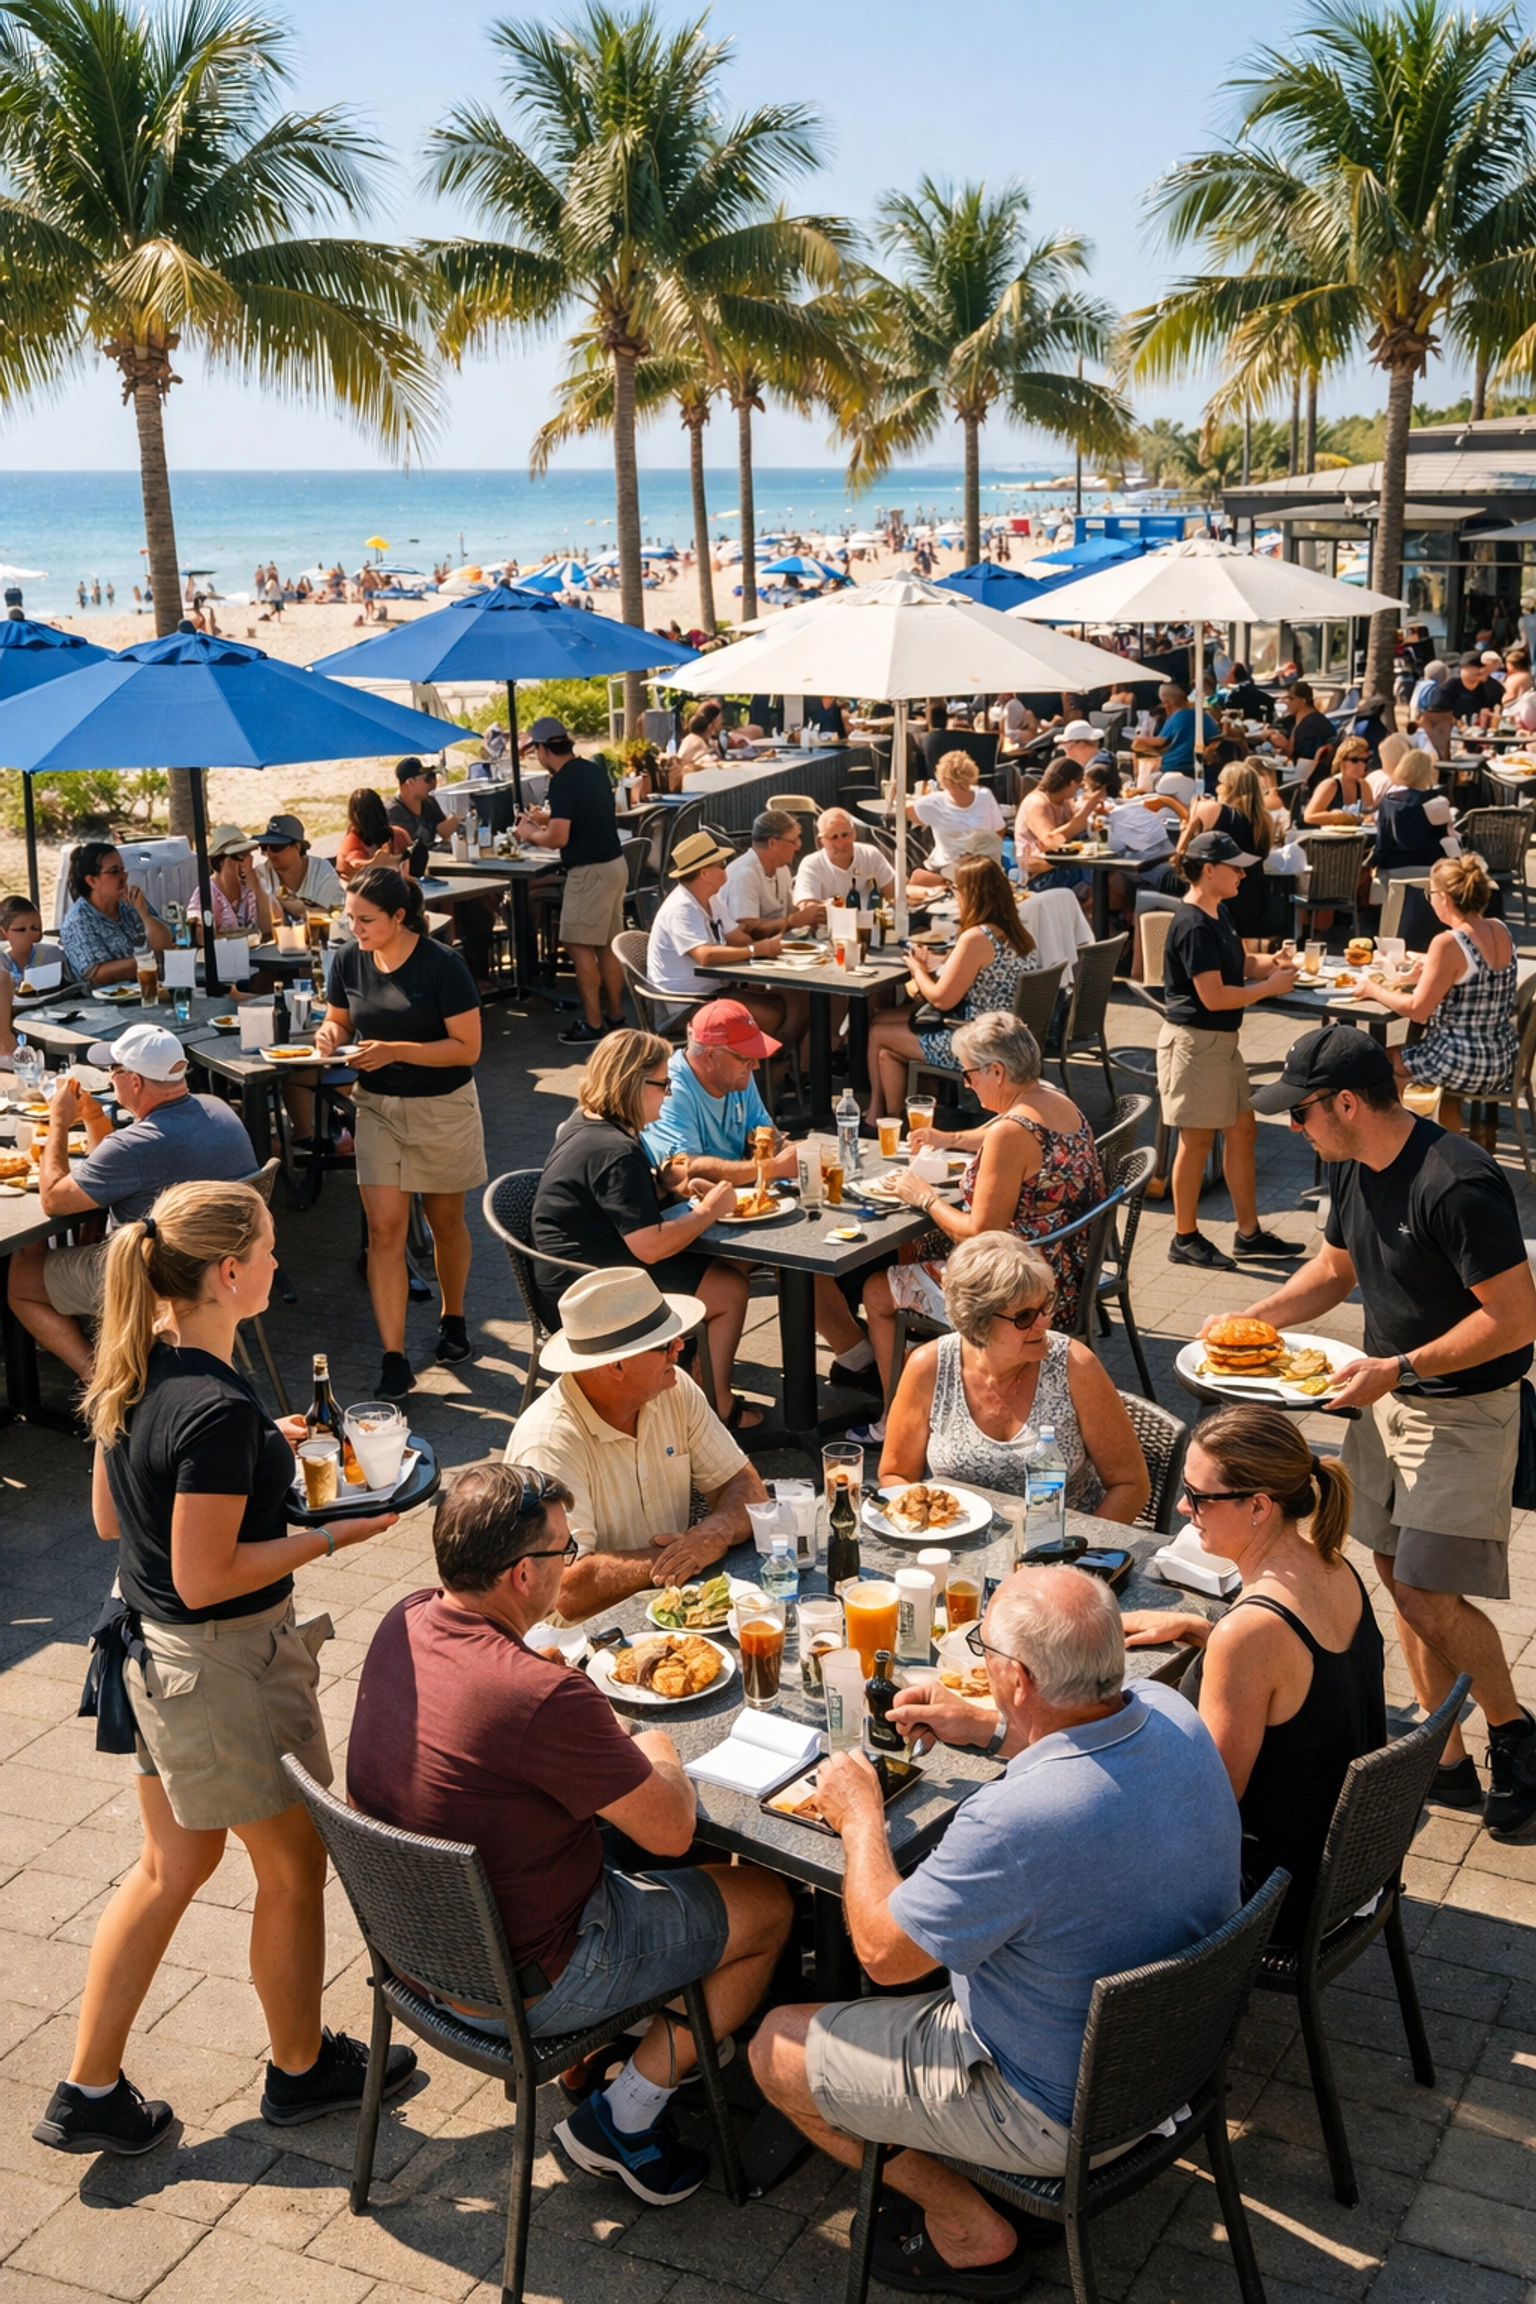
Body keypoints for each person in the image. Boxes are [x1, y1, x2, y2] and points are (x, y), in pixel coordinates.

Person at [32, 1181, 410, 2160]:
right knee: (294, 1866)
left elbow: (119, 1521)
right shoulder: (215, 1404)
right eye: (272, 1252)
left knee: (175, 1863)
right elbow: (207, 1576)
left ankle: (89, 2089)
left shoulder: (138, 1366)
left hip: (152, 1658)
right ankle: (298, 2071)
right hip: (220, 1663)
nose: (281, 1265)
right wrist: (333, 1534)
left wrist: (258, 1460)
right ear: (229, 1272)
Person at [749, 1567, 1239, 2290]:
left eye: (983, 1648)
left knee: (773, 2048)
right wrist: (988, 1727)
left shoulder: (1014, 1822)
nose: (978, 1657)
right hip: (1178, 2059)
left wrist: (860, 1821)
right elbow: (1082, 1760)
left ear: (1016, 1677)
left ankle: (968, 2230)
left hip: (1058, 2110)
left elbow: (885, 1956)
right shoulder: (1174, 1710)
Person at [346, 1461, 792, 2205]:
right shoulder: (544, 1697)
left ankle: (650, 2039)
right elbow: (674, 1829)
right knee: (769, 1903)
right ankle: (624, 2118)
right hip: (530, 1983)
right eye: (565, 1551)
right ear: (524, 1575)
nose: (573, 1562)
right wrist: (650, 1741)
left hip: (420, 1955)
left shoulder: (406, 1619)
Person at [1233, 1025, 1536, 1840]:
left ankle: (1516, 1738)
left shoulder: (1458, 1183)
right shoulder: (1351, 1163)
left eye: (1299, 1114)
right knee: (1397, 1570)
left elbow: (1513, 1321)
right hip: (1386, 1401)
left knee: (1426, 1592)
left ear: (1344, 1102)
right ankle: (1445, 1759)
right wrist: (1252, 1320)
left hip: (1462, 1410)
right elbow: (1336, 1270)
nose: (1292, 1129)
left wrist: (1397, 1369)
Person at [1123, 1406, 1384, 1945]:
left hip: (1273, 1898)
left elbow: (1209, 1808)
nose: (1181, 1506)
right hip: (1347, 1867)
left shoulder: (1250, 1633)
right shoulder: (1332, 1564)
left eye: (1198, 1497)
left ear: (1259, 1506)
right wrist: (1204, 1629)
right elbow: (1297, 1679)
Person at [860, 1015, 1103, 1419]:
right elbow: (997, 1131)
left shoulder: (1013, 1134)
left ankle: (897, 1417)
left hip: (1021, 1288)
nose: (967, 1084)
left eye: (969, 1074)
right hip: (1069, 1268)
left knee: (875, 1290)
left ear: (997, 1071)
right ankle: (939, 1371)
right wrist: (949, 1139)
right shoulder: (1053, 1099)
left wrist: (924, 1199)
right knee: (911, 1249)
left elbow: (978, 1233)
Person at [314, 865, 486, 1395]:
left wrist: (394, 1050)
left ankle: (452, 1316)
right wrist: (328, 1033)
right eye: (350, 919)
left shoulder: (443, 966)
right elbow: (338, 1018)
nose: (354, 929)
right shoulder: (347, 959)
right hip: (378, 1108)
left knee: (444, 1223)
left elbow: (468, 1049)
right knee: (384, 1231)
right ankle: (393, 1357)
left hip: (442, 1108)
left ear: (399, 917)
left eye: (365, 920)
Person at [505, 1269, 766, 1615]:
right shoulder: (547, 1442)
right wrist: (680, 1556)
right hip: (582, 1641)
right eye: (664, 1344)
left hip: (669, 1606)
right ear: (617, 1365)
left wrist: (713, 1533)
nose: (679, 1347)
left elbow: (746, 1488)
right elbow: (565, 1588)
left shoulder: (673, 1388)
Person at [532, 1028, 758, 1425]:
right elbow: (650, 1247)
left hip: (571, 1274)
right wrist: (709, 1210)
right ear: (632, 1083)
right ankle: (716, 1410)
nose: (668, 1094)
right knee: (731, 1289)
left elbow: (619, 1201)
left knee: (728, 1267)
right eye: (663, 1085)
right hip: (588, 1294)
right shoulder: (615, 1150)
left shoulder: (587, 1124)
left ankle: (693, 1382)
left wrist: (663, 1184)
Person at [7, 1023, 257, 1382]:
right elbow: (110, 1169)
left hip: (154, 1281)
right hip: (230, 1269)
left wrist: (58, 1121)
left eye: (114, 1070)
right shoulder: (219, 1109)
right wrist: (93, 1115)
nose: (109, 1077)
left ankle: (107, 1385)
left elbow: (53, 1200)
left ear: (136, 1082)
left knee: (21, 1281)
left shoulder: (133, 1146)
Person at [640, 1000, 869, 1378]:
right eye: (745, 1058)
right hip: (685, 1228)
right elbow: (679, 1173)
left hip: (735, 1215)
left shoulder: (735, 1078)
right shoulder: (673, 1089)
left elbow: (766, 1136)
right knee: (794, 1250)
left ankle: (857, 1356)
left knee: (806, 1242)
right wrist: (770, 1167)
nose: (756, 1065)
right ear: (709, 1054)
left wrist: (790, 1150)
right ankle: (706, 1389)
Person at [879, 1234, 1148, 1521]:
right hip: (955, 1545)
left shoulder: (1075, 1367)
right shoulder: (929, 1367)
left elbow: (1130, 1485)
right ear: (978, 1322)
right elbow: (896, 1474)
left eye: (1047, 1304)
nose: (1045, 1322)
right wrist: (930, 1524)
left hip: (1061, 1547)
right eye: (1025, 1316)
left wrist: (1081, 1556)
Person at [1157, 829, 1302, 1270]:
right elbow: (1214, 995)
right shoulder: (1192, 923)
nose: (1243, 873)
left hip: (1220, 1045)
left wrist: (1271, 964)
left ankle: (1248, 1233)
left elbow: (1238, 965)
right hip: (1196, 1045)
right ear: (1208, 870)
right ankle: (1184, 1237)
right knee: (1196, 1141)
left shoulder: (1217, 911)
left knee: (1242, 1132)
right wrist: (1268, 988)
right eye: (1235, 866)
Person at [1354, 854, 1517, 1142]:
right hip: (1501, 1057)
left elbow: (1417, 1010)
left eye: (1430, 894)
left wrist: (1372, 989)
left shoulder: (1447, 942)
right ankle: (1445, 1139)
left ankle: (1397, 1146)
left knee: (1382, 1061)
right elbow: (1475, 977)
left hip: (1461, 1059)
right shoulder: (1500, 930)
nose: (1429, 901)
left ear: (1444, 897)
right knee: (1404, 1055)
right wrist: (1430, 968)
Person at [865, 855, 1038, 1122]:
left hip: (977, 1042)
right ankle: (886, 1118)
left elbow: (941, 1000)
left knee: (878, 1033)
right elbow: (976, 978)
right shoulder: (1017, 932)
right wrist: (935, 967)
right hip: (1006, 1034)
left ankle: (878, 1118)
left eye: (956, 888)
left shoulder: (976, 937)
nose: (954, 894)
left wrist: (918, 970)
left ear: (971, 893)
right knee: (885, 1041)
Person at [513, 715, 628, 1046]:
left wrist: (530, 832)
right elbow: (585, 815)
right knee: (607, 944)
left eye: (535, 750)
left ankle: (593, 1024)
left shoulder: (562, 781)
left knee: (579, 946)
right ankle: (615, 1016)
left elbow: (558, 839)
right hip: (614, 865)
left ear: (544, 749)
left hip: (589, 871)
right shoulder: (591, 770)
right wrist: (547, 819)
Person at [645, 829, 791, 1045]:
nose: (726, 870)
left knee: (781, 1003)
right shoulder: (681, 907)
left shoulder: (712, 899)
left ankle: (770, 1069)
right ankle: (751, 1073)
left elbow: (736, 937)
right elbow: (704, 955)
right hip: (684, 1005)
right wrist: (757, 950)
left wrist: (770, 946)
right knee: (767, 1013)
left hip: (713, 991)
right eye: (721, 865)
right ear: (704, 873)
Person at [1173, 761, 1278, 942]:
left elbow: (1182, 853)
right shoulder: (1264, 820)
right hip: (1254, 899)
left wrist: (1188, 822)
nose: (1217, 786)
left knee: (1151, 884)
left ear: (1228, 786)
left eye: (1220, 782)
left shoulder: (1212, 808)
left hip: (1219, 896)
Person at [58, 842, 174, 987]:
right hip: (102, 1004)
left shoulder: (130, 903)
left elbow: (166, 944)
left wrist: (143, 913)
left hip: (148, 989)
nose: (124, 876)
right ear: (92, 880)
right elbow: (96, 975)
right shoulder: (78, 921)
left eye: (123, 870)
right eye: (114, 871)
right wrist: (148, 962)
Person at [907, 750, 1006, 891]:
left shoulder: (984, 796)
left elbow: (999, 831)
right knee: (919, 878)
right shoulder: (932, 803)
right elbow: (999, 831)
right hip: (951, 867)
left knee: (918, 878)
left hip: (977, 868)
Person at [1371, 747, 1456, 894]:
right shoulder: (1434, 800)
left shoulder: (1387, 800)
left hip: (1392, 867)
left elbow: (1382, 841)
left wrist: (1372, 863)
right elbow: (1446, 838)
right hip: (1427, 865)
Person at [724, 808, 820, 936]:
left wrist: (813, 911)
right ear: (773, 843)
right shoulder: (744, 875)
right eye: (794, 840)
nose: (799, 845)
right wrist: (793, 921)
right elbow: (747, 928)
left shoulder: (782, 869)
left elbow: (790, 911)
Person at [790, 807, 897, 919]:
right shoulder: (811, 865)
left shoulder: (870, 854)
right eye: (834, 837)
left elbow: (894, 893)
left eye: (845, 835)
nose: (841, 843)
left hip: (871, 928)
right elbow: (806, 908)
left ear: (854, 833)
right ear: (821, 841)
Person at [1013, 759, 1095, 895]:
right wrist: (1079, 822)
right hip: (1040, 874)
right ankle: (1085, 912)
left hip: (1065, 865)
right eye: (1080, 784)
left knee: (1114, 878)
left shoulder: (1065, 802)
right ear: (1071, 782)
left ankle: (1091, 912)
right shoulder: (1037, 803)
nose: (1080, 788)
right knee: (1099, 879)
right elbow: (1051, 842)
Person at [251, 813, 345, 916]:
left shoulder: (322, 872)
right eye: (264, 846)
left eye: (276, 847)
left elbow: (339, 917)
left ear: (297, 847)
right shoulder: (261, 874)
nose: (269, 853)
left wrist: (301, 910)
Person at [200, 824, 278, 940]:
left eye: (248, 854)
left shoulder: (251, 886)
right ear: (221, 861)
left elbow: (270, 928)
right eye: (241, 856)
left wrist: (256, 885)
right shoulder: (208, 893)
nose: (248, 860)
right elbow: (200, 935)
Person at [337, 787, 411, 882]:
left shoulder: (398, 835)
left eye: (375, 814)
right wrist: (392, 860)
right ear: (356, 816)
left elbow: (414, 854)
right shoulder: (350, 843)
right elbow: (359, 865)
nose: (373, 820)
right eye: (367, 816)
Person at [1303, 733, 1377, 827]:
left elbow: (1368, 814)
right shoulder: (1330, 785)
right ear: (1342, 761)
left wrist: (1368, 818)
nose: (1361, 765)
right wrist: (1337, 817)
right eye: (1354, 760)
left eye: (1365, 761)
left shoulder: (1364, 786)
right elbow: (1308, 816)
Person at [1270, 680, 1337, 766]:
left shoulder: (1313, 727)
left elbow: (1305, 763)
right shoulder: (1296, 720)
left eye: (1291, 698)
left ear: (1302, 700)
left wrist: (1285, 747)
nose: (1287, 702)